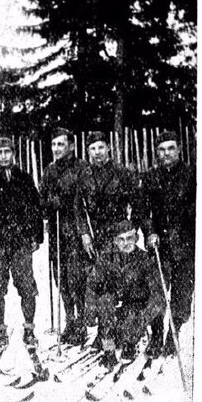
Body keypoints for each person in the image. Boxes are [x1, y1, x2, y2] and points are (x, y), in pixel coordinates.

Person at [0, 137, 43, 351]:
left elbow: (35, 208)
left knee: (27, 286)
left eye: (7, 152)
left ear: (14, 153)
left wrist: (36, 236)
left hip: (20, 240)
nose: (4, 156)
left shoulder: (24, 178)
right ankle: (0, 330)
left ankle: (29, 328)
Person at [75, 131, 141, 332]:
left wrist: (130, 232)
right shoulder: (84, 175)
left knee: (120, 283)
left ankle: (122, 328)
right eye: (93, 148)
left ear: (109, 148)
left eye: (101, 147)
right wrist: (85, 234)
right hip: (97, 237)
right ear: (88, 151)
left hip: (119, 237)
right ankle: (104, 329)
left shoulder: (122, 172)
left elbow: (137, 204)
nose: (97, 152)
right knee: (97, 283)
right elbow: (78, 207)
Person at [140, 130, 196, 357]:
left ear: (179, 150)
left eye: (171, 148)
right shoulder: (151, 177)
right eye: (162, 149)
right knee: (156, 292)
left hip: (186, 244)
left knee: (182, 294)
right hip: (159, 244)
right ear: (156, 152)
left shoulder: (192, 175)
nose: (167, 153)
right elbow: (143, 210)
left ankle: (174, 334)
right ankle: (156, 334)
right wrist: (150, 232)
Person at [39, 127, 92, 345]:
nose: (57, 149)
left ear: (71, 146)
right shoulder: (49, 170)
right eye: (54, 145)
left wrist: (66, 199)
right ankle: (70, 320)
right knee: (60, 277)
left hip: (75, 230)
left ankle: (80, 323)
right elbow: (41, 198)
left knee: (76, 278)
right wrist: (49, 202)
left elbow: (84, 196)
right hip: (56, 229)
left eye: (61, 144)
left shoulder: (81, 168)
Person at [87, 220, 164, 369]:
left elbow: (157, 297)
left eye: (130, 238)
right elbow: (92, 284)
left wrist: (143, 320)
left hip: (137, 307)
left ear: (136, 239)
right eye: (121, 239)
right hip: (118, 305)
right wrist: (90, 310)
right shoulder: (106, 258)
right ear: (115, 241)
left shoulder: (145, 260)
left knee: (131, 323)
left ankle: (131, 344)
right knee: (104, 300)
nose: (126, 243)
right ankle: (108, 350)